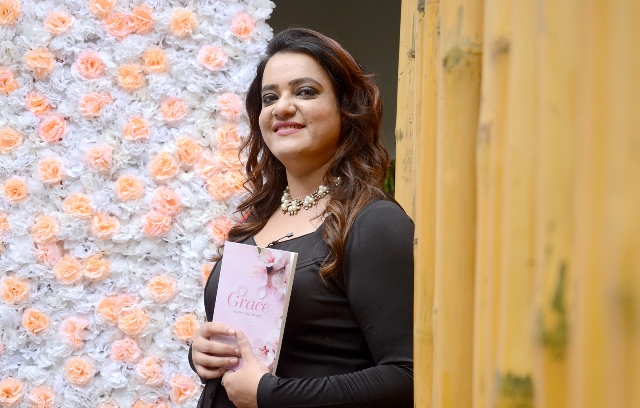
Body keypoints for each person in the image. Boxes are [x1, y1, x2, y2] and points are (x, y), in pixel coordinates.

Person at [189, 27, 414, 408]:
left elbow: (407, 376)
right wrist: (203, 354)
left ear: (347, 108)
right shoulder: (255, 223)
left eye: (305, 92)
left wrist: (269, 394)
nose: (282, 107)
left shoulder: (373, 223)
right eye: (270, 97)